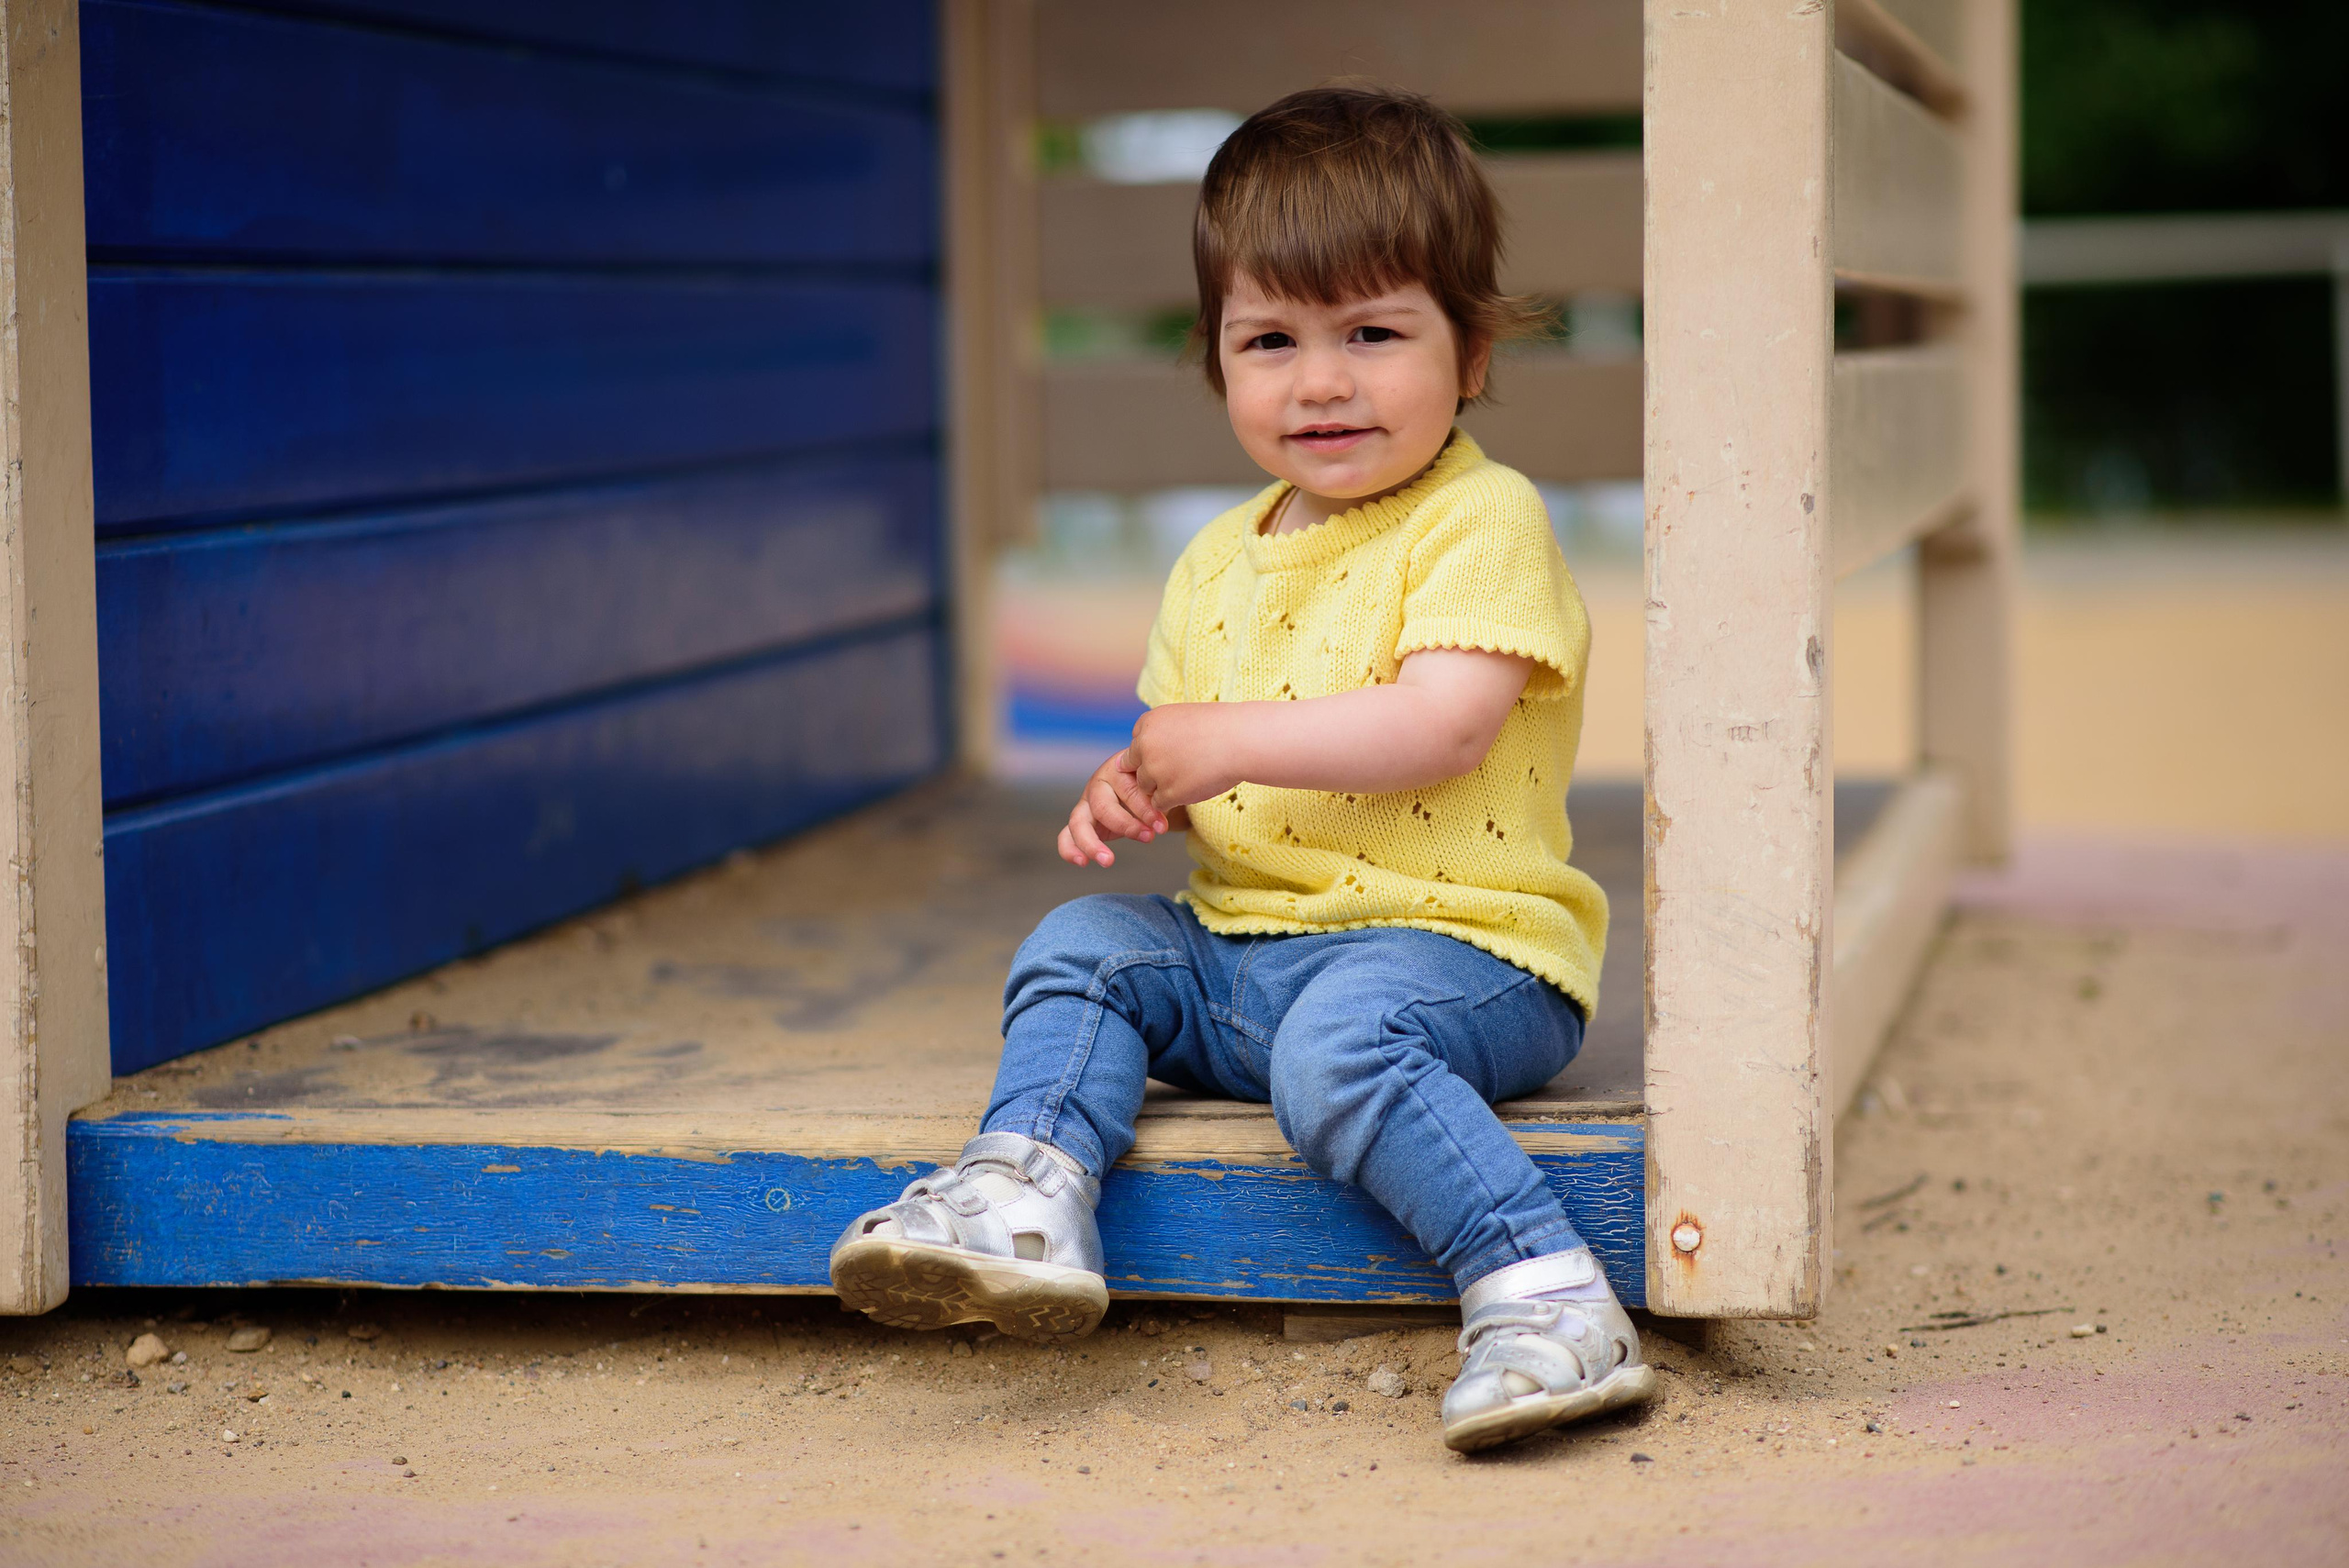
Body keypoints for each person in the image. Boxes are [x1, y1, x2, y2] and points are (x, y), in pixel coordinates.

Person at [830, 83, 1651, 1453]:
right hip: (1249, 949)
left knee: (1341, 1047)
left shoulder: (1480, 517)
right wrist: (1140, 783)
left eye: (1374, 333)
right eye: (1270, 339)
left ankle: (1543, 1290)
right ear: (1217, 361)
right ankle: (1025, 1193)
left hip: (1462, 954)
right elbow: (1204, 765)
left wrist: (1227, 738)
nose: (1320, 381)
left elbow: (1441, 724)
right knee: (1084, 942)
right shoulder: (1217, 558)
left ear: (1472, 356)